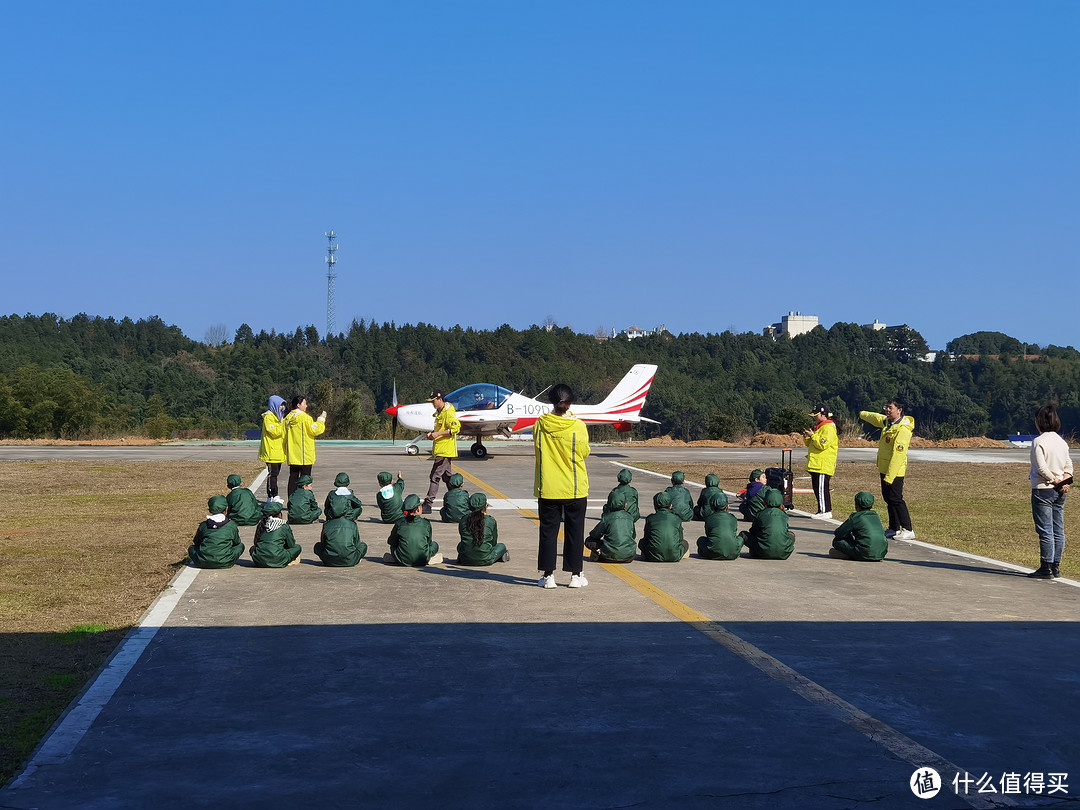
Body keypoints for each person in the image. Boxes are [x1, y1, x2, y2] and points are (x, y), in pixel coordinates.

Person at [534, 383, 590, 589]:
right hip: (574, 487)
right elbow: (584, 452)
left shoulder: (540, 424)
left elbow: (538, 447)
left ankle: (548, 576)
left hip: (548, 487)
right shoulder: (578, 426)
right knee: (575, 531)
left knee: (548, 532)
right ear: (570, 403)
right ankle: (576, 575)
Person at [859, 399, 916, 540]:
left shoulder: (903, 429)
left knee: (896, 499)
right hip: (884, 469)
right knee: (888, 499)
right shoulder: (888, 422)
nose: (887, 410)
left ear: (899, 410)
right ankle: (894, 527)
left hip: (895, 471)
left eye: (890, 408)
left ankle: (908, 529)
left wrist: (890, 477)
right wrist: (861, 414)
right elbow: (875, 417)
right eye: (886, 407)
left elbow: (898, 455)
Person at [1028, 404, 1073, 579]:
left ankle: (1045, 567)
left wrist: (1054, 480)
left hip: (1043, 489)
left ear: (1039, 422)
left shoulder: (1038, 441)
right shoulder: (1062, 442)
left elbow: (1041, 467)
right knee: (1058, 528)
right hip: (1060, 490)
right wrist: (1065, 481)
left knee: (1045, 529)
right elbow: (1069, 464)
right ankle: (1056, 566)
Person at [421, 392, 460, 515]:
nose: (432, 403)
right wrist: (432, 434)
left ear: (440, 399)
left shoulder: (448, 412)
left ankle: (428, 503)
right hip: (441, 450)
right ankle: (457, 500)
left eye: (434, 400)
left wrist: (437, 434)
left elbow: (455, 429)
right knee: (447, 478)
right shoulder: (440, 412)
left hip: (445, 450)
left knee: (434, 476)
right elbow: (440, 429)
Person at [283, 395, 326, 497]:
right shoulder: (305, 418)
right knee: (306, 479)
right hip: (305, 454)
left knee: (293, 477)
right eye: (304, 403)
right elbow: (315, 430)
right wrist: (321, 420)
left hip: (293, 454)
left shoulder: (287, 418)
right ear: (298, 405)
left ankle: (292, 502)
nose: (306, 406)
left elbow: (283, 435)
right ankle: (305, 501)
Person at [385, 494, 442, 566]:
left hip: (402, 560)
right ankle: (428, 559)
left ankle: (397, 558)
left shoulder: (400, 523)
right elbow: (429, 543)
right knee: (434, 545)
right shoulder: (426, 523)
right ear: (418, 508)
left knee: (393, 547)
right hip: (422, 559)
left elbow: (391, 541)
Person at [188, 495, 244, 569]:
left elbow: (197, 542)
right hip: (225, 562)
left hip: (203, 562)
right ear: (226, 509)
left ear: (210, 510)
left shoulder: (204, 525)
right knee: (240, 546)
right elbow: (236, 543)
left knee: (191, 548)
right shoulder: (231, 525)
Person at [829, 491, 888, 562]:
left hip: (863, 552)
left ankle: (853, 555)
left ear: (856, 505)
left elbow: (839, 533)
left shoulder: (856, 517)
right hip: (881, 553)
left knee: (837, 541)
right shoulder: (875, 516)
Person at [803, 404, 838, 519]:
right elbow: (809, 444)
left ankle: (825, 511)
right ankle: (821, 510)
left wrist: (813, 436)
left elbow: (822, 445)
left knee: (822, 488)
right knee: (817, 488)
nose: (814, 418)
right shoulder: (818, 427)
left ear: (824, 414)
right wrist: (807, 436)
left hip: (823, 464)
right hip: (816, 464)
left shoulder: (829, 427)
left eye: (816, 415)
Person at [739, 488, 795, 560]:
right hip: (783, 554)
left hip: (762, 552)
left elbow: (753, 531)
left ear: (765, 502)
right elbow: (785, 531)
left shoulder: (760, 514)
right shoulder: (784, 516)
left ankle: (737, 551)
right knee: (791, 535)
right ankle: (782, 550)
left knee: (744, 534)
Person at [456, 492, 509, 566]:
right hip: (486, 559)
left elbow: (463, 539)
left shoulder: (464, 520)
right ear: (485, 507)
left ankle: (465, 556)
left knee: (461, 545)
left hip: (466, 559)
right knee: (501, 546)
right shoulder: (490, 520)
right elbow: (493, 542)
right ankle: (497, 557)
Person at [314, 495, 368, 567]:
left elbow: (323, 543)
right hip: (350, 560)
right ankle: (356, 559)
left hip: (329, 561)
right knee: (363, 545)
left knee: (317, 546)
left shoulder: (326, 525)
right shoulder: (352, 525)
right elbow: (357, 544)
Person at [586, 489, 637, 563]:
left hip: (609, 555)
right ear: (625, 504)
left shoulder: (607, 518)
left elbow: (595, 534)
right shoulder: (630, 517)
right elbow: (633, 536)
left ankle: (599, 553)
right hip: (629, 556)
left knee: (589, 541)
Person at [250, 501, 302, 568]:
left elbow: (256, 543)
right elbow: (291, 545)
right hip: (278, 559)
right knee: (297, 547)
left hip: (260, 561)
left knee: (252, 548)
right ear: (279, 514)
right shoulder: (283, 526)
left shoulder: (262, 524)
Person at [639, 491, 688, 562]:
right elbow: (680, 539)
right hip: (675, 556)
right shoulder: (677, 519)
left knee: (642, 542)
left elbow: (646, 537)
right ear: (670, 506)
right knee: (685, 543)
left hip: (653, 556)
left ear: (655, 506)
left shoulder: (650, 518)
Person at [697, 492, 742, 560]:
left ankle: (708, 553)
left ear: (712, 507)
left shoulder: (709, 519)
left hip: (713, 553)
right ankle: (734, 551)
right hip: (733, 554)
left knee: (701, 540)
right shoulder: (733, 518)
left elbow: (708, 534)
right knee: (740, 538)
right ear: (727, 507)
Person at [258, 395, 287, 502]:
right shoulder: (269, 417)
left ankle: (275, 495)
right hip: (271, 452)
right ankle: (272, 495)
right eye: (281, 405)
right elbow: (274, 432)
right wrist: (283, 425)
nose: (283, 408)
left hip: (278, 452)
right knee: (273, 474)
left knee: (276, 474)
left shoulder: (279, 418)